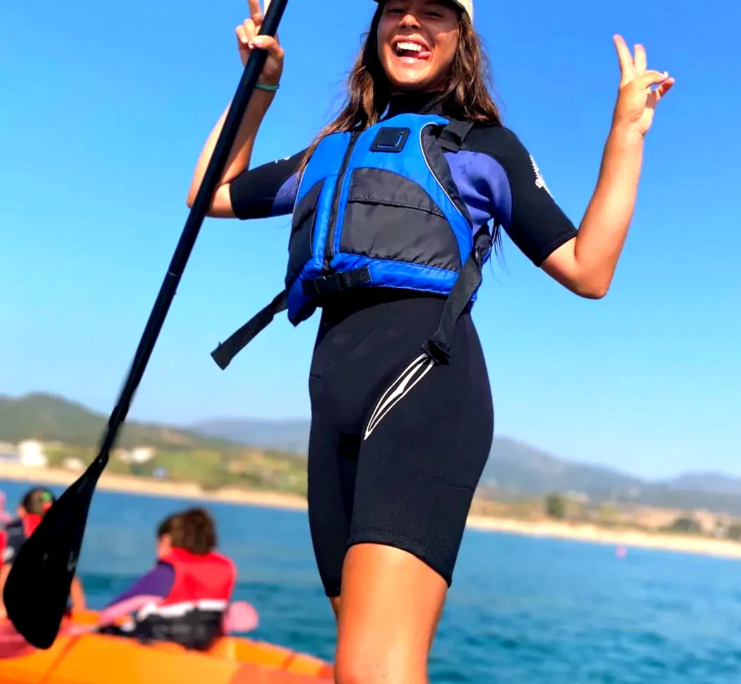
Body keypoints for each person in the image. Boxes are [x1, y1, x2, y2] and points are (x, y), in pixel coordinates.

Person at [187, 0, 674, 680]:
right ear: (377, 30)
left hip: (422, 390)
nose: (412, 23)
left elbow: (588, 269)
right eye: (398, 10)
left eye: (434, 14)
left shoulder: (481, 147)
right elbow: (208, 192)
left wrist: (625, 134)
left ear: (461, 39)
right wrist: (259, 85)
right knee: (357, 658)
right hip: (332, 409)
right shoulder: (332, 149)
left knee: (373, 667)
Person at [99, 507, 236, 651]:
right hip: (204, 643)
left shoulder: (169, 570)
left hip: (160, 640)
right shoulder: (225, 568)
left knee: (106, 631)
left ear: (166, 540)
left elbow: (110, 613)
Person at [0, 487, 87, 620]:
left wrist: (2, 610)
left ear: (21, 509)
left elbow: (6, 572)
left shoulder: (18, 531)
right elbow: (73, 580)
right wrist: (80, 613)